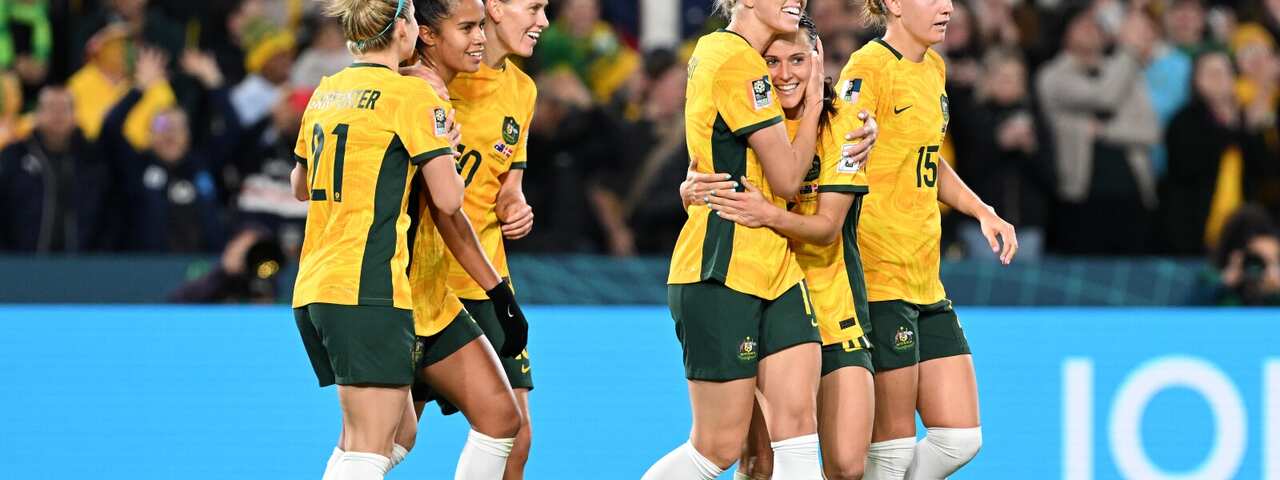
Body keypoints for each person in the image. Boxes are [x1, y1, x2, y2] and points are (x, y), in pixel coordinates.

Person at [322, 0, 531, 478]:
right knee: (380, 440)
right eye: (468, 27)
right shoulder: (417, 93)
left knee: (495, 420)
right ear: (424, 35)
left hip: (431, 293)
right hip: (395, 290)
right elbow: (447, 207)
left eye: (481, 26)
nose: (480, 37)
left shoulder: (487, 89)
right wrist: (498, 290)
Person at [683, 15, 880, 480]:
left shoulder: (848, 126)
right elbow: (713, 177)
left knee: (849, 463)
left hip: (832, 305)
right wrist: (691, 189)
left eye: (798, 60)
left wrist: (768, 214)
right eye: (772, 61)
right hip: (759, 291)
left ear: (818, 62)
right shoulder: (750, 118)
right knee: (756, 461)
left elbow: (827, 228)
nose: (785, 73)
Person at [642, 0, 834, 477]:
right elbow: (788, 178)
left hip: (776, 263)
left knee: (797, 430)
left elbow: (711, 153)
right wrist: (813, 102)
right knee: (717, 449)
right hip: (722, 266)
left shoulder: (726, 55)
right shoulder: (735, 59)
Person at [841, 0, 1017, 477]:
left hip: (925, 278)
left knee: (960, 438)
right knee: (891, 448)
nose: (947, 7)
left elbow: (926, 157)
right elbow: (839, 150)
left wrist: (982, 210)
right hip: (879, 276)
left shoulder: (934, 68)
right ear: (893, 5)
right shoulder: (868, 67)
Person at [289, 0, 447, 478]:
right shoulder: (408, 96)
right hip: (368, 284)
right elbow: (450, 198)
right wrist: (448, 144)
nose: (419, 28)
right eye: (416, 18)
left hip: (317, 283)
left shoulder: (326, 91)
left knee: (399, 434)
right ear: (401, 27)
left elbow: (300, 186)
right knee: (370, 448)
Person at [418, 0, 549, 477]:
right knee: (394, 434)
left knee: (516, 434)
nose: (543, 21)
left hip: (487, 280)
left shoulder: (522, 89)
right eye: (534, 7)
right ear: (495, 6)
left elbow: (507, 184)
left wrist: (516, 206)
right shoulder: (425, 76)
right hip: (425, 282)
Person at [1037, 7, 1160, 255]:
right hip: (1080, 197)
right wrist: (1129, 52)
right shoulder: (1052, 76)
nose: (1090, 28)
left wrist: (1102, 132)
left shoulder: (1126, 74)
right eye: (1081, 23)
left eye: (1096, 24)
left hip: (1133, 192)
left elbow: (1149, 130)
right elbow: (1105, 96)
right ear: (1065, 32)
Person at [100, 48, 227, 252]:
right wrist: (139, 89)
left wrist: (214, 82)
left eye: (178, 128)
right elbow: (110, 128)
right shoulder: (136, 166)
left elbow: (232, 128)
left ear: (189, 137)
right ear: (149, 135)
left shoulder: (203, 164)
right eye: (162, 127)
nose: (170, 134)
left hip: (203, 274)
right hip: (146, 274)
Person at [1159, 50, 1273, 255]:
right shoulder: (1184, 121)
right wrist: (1231, 125)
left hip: (1242, 231)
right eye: (1212, 74)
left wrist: (1254, 128)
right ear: (1196, 81)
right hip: (1192, 230)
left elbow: (1264, 170)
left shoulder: (1244, 119)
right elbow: (1187, 165)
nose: (1220, 80)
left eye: (1225, 72)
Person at [0, 86, 112, 253]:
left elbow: (108, 215)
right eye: (51, 107)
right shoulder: (13, 156)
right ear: (37, 114)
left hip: (84, 268)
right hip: (20, 266)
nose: (58, 115)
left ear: (75, 116)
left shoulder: (93, 160)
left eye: (65, 108)